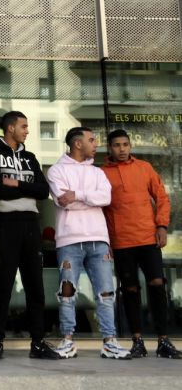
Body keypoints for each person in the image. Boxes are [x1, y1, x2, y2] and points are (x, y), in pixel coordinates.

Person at [0, 111, 60, 361]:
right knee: (2, 285)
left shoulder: (30, 157)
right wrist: (21, 189)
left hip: (30, 225)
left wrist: (16, 184)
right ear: (10, 128)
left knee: (35, 286)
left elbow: (42, 190)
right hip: (3, 225)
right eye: (24, 126)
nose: (27, 130)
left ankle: (38, 343)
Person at [47, 127, 130, 360]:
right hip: (69, 240)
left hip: (99, 240)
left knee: (106, 293)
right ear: (77, 144)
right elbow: (64, 202)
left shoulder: (98, 172)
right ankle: (67, 341)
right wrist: (87, 197)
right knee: (66, 293)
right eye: (91, 140)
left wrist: (79, 195)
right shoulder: (56, 171)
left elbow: (106, 198)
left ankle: (109, 342)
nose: (96, 144)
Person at [101, 129, 180, 359]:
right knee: (131, 289)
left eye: (125, 144)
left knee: (157, 283)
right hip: (121, 241)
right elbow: (101, 210)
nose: (122, 149)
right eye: (117, 145)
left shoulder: (144, 167)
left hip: (148, 237)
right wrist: (106, 241)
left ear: (130, 146)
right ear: (110, 148)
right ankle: (137, 340)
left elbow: (162, 197)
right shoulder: (102, 173)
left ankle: (163, 339)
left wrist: (162, 226)